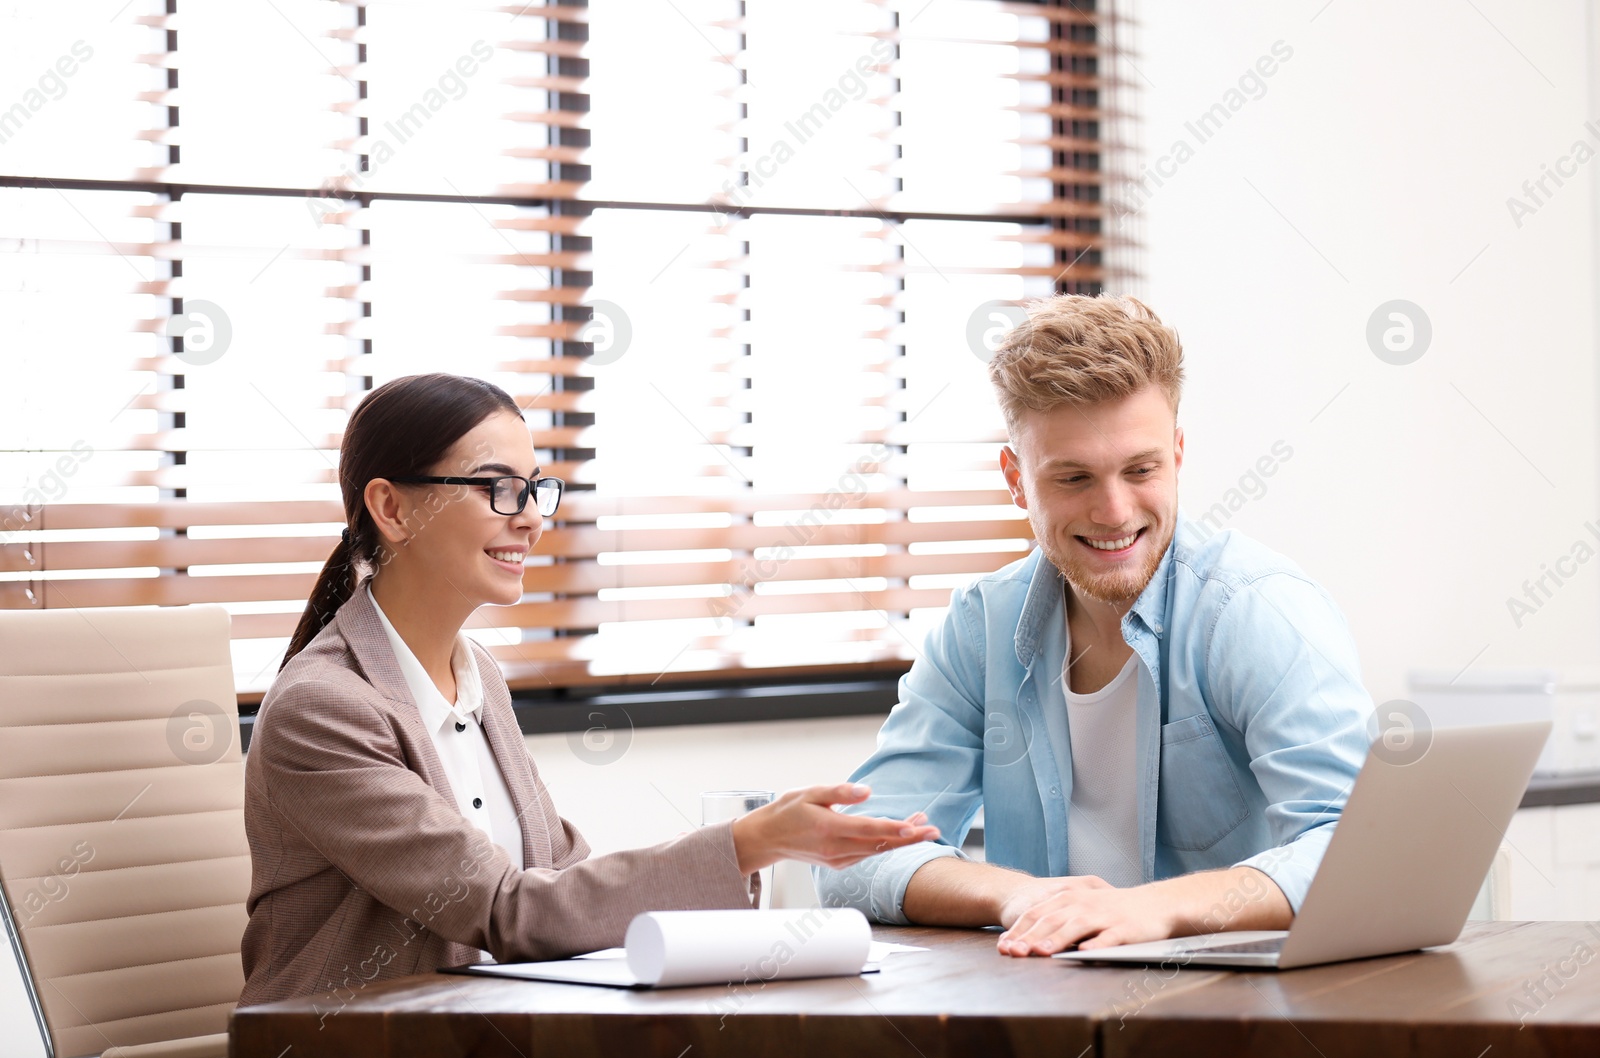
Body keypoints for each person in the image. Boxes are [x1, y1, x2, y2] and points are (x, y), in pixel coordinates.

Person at [238, 373, 939, 1010]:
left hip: (488, 1032)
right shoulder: (323, 707)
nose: (532, 517)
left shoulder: (477, 674)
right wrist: (746, 842)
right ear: (391, 508)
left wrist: (755, 863)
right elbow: (508, 909)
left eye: (536, 487)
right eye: (497, 487)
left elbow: (564, 880)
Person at [814, 294, 1372, 956]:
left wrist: (1153, 910)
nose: (1113, 511)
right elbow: (855, 852)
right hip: (1048, 1013)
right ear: (1016, 479)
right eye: (1074, 477)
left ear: (1179, 452)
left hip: (1235, 1021)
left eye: (1141, 469)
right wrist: (1017, 895)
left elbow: (1358, 851)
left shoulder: (1256, 611)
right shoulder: (981, 627)